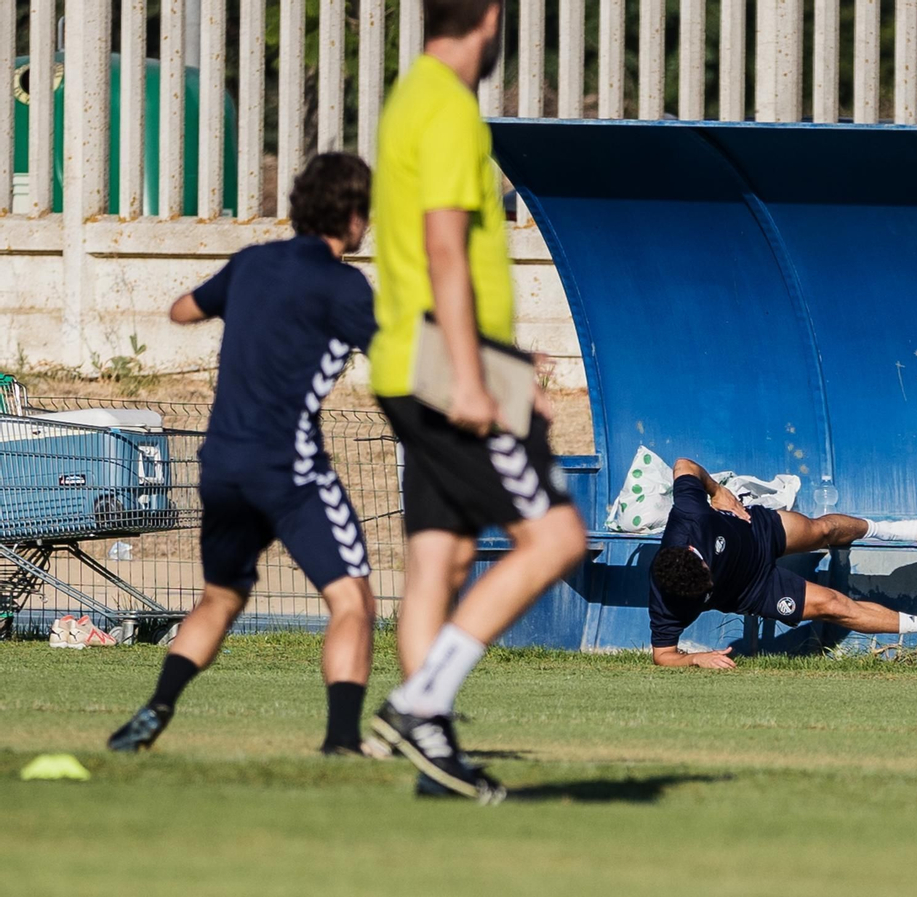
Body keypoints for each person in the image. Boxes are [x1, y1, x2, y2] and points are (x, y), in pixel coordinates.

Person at [366, 0, 588, 803]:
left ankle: (434, 754)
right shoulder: (455, 109)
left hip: (406, 356)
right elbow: (444, 249)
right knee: (557, 537)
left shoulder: (407, 97)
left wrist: (504, 358)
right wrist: (474, 374)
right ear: (490, 18)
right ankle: (420, 698)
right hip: (447, 363)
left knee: (440, 554)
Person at [108, 153, 380, 756]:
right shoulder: (343, 285)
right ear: (356, 215)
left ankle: (156, 710)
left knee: (220, 598)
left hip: (222, 466)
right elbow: (399, 353)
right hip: (291, 469)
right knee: (352, 598)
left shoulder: (253, 263)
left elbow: (183, 309)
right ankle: (340, 741)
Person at [649, 458, 917, 668]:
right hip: (753, 591)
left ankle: (887, 530)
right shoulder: (669, 599)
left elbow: (683, 465)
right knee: (834, 605)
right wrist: (694, 659)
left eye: (708, 577)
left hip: (756, 532)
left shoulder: (691, 518)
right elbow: (663, 655)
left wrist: (717, 490)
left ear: (698, 557)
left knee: (822, 530)